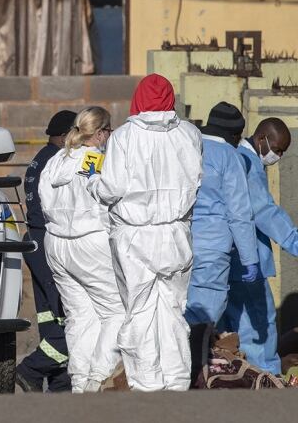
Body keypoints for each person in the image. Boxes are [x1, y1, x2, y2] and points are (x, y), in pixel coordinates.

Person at [87, 74, 201, 391]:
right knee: (173, 312)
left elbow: (111, 188)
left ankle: (146, 384)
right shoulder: (190, 134)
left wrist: (92, 183)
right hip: (177, 234)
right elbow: (196, 180)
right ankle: (177, 381)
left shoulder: (123, 138)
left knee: (140, 312)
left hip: (134, 236)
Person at [221, 117, 298, 374]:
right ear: (261, 139)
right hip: (247, 261)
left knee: (234, 322)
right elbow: (263, 211)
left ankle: (243, 373)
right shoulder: (248, 163)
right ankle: (265, 375)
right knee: (260, 320)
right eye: (277, 149)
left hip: (230, 257)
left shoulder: (233, 157)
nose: (277, 156)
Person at [38, 107, 125, 393]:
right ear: (100, 133)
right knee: (116, 312)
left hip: (56, 244)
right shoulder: (94, 158)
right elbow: (102, 199)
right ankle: (98, 377)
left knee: (80, 316)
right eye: (109, 131)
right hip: (89, 242)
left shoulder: (56, 160)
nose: (110, 136)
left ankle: (78, 382)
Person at [16, 110, 77, 392]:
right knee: (70, 318)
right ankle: (31, 369)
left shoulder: (41, 157)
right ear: (65, 135)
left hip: (36, 242)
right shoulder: (57, 160)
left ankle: (58, 383)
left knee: (49, 317)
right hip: (49, 242)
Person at [184, 102, 259, 327]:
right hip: (212, 249)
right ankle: (194, 361)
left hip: (178, 243)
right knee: (203, 318)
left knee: (176, 312)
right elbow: (239, 213)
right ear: (235, 135)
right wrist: (250, 258)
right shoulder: (230, 156)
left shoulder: (187, 147)